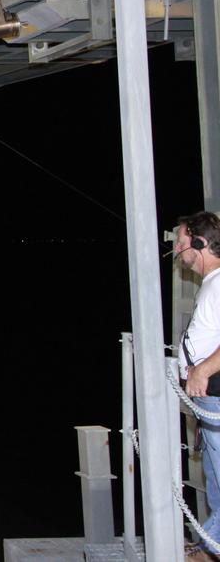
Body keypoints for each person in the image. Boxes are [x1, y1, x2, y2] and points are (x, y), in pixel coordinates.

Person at [176, 210, 220, 560]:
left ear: (201, 243)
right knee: (216, 483)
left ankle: (207, 549)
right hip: (209, 403)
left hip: (216, 398)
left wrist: (203, 370)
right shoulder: (212, 284)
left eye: (181, 243)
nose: (177, 251)